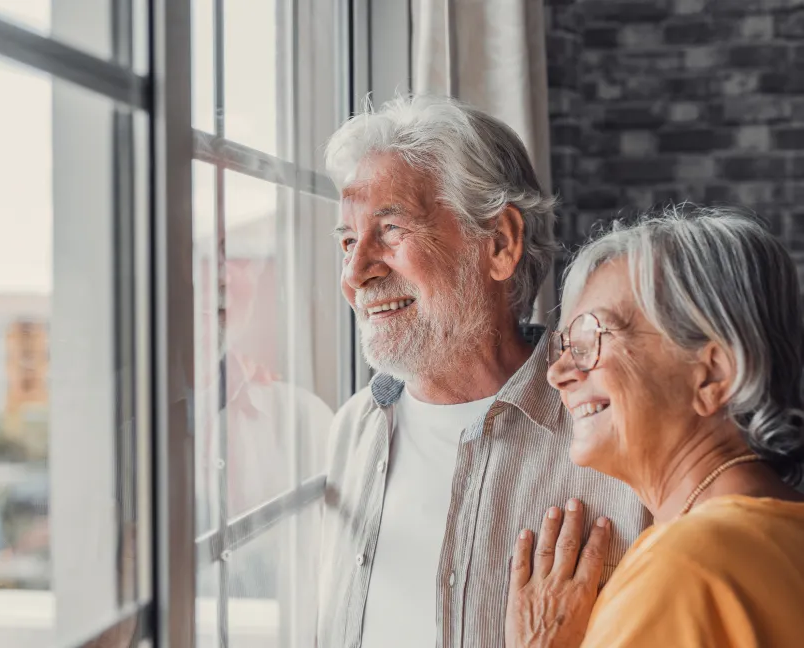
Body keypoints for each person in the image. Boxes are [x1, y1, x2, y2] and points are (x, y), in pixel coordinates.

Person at [316, 94, 650, 648]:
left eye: (391, 229)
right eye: (348, 241)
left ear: (499, 243)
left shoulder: (617, 438)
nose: (355, 273)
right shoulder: (352, 429)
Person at [505, 205, 804, 648]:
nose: (559, 373)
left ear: (713, 375)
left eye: (592, 340)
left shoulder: (685, 569)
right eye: (566, 346)